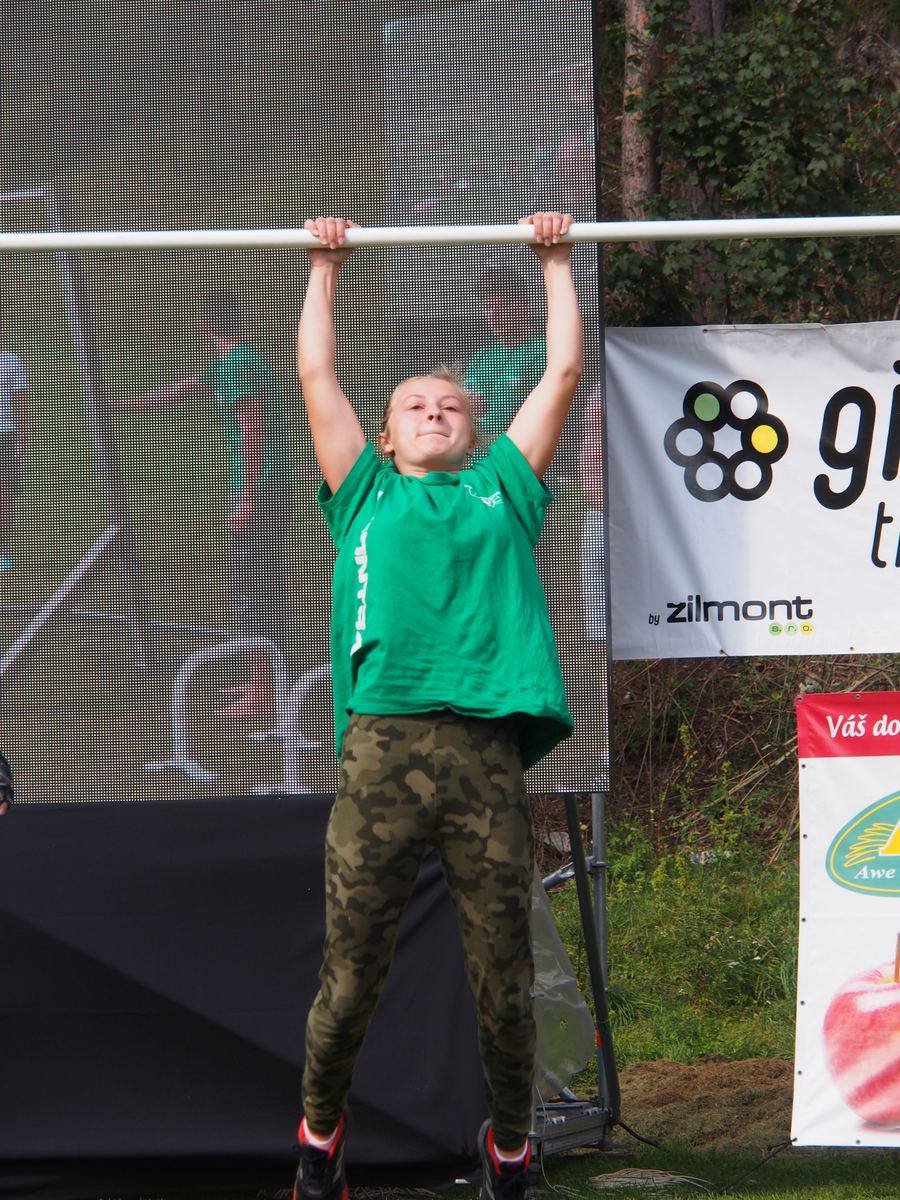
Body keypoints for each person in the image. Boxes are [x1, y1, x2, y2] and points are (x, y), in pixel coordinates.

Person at [294, 211, 582, 1200]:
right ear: (384, 436)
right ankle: (318, 1138)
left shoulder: (504, 488)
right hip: (382, 748)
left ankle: (511, 1149)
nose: (431, 412)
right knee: (351, 975)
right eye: (413, 404)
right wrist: (324, 266)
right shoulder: (364, 492)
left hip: (482, 755)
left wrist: (555, 261)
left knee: (504, 982)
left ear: (473, 431)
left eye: (449, 405)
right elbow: (316, 376)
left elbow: (562, 372)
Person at [121, 292, 295, 719]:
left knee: (254, 591)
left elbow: (252, 430)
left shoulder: (239, 366)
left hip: (262, 495)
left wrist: (247, 500)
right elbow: (186, 388)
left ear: (205, 328)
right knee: (252, 589)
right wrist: (124, 405)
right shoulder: (234, 363)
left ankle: (263, 691)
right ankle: (262, 680)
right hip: (266, 494)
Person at [464, 266, 546, 444]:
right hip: (478, 454)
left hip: (519, 452)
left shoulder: (543, 353)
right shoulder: (481, 357)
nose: (493, 315)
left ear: (524, 306)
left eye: (502, 306)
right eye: (488, 307)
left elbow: (538, 413)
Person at [0, 347, 28, 573]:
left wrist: (22, 437)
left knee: (5, 496)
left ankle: (4, 551)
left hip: (6, 435)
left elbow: (21, 401)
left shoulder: (11, 361)